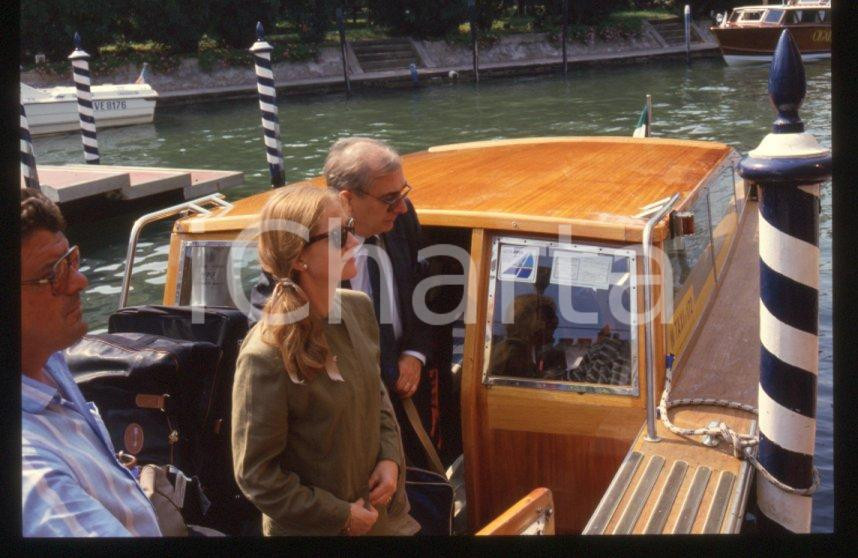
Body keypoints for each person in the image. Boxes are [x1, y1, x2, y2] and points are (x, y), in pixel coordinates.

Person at [232, 184, 420, 536]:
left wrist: (390, 458)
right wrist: (338, 515)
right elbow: (256, 475)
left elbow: (377, 397)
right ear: (300, 257)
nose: (353, 241)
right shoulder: (265, 355)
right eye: (338, 236)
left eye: (348, 229)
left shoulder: (358, 308)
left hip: (384, 520)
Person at [250, 137, 440, 470]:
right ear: (347, 200)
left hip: (404, 396)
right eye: (390, 199)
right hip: (339, 430)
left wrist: (414, 353)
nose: (403, 208)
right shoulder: (299, 256)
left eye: (403, 193)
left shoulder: (402, 222)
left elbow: (425, 287)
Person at [20, 188, 162, 537]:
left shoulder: (49, 361)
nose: (80, 281)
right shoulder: (31, 471)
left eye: (71, 259)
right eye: (53, 274)